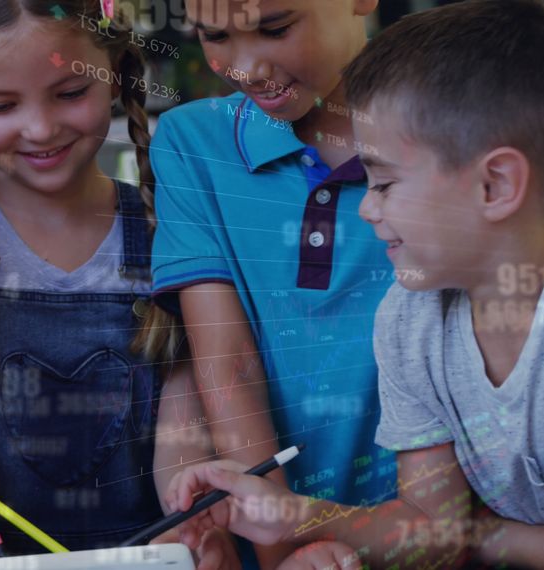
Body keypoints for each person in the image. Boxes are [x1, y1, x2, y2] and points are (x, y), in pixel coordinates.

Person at [164, 1, 544, 568]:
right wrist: (291, 514)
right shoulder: (410, 315)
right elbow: (433, 527)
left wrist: (474, 533)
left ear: (495, 185)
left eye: (383, 184)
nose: (366, 208)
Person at [0, 0, 224, 561]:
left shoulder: (171, 221)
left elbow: (183, 426)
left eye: (70, 93)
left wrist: (186, 536)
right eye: (1, 105)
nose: (41, 129)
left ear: (114, 74)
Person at [148, 1, 393, 565]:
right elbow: (228, 363)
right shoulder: (192, 143)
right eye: (215, 36)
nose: (246, 68)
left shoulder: (444, 134)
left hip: (437, 527)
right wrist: (286, 553)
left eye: (276, 28)